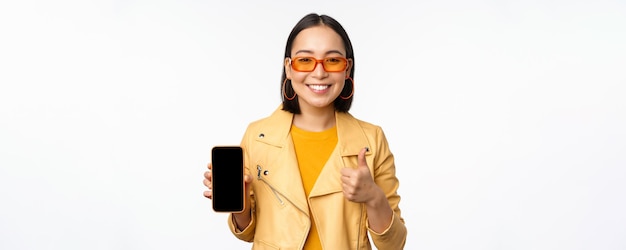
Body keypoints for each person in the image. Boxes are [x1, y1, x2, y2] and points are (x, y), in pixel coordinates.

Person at [203, 13, 407, 249]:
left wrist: (373, 196)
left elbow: (394, 244)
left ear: (347, 69)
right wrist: (240, 203)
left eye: (332, 61)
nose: (319, 73)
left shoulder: (372, 140)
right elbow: (247, 232)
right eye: (305, 60)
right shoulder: (258, 136)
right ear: (289, 68)